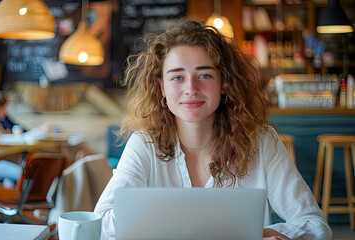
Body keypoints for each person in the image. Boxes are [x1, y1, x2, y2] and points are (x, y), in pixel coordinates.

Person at [94, 19, 332, 240]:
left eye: (204, 75)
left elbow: (315, 224)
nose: (191, 88)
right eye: (177, 77)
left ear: (224, 83)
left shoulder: (261, 142)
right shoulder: (144, 144)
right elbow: (101, 224)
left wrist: (255, 234)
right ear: (162, 88)